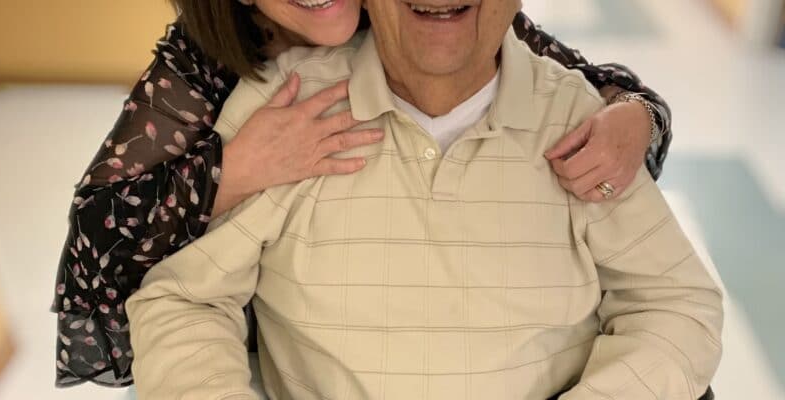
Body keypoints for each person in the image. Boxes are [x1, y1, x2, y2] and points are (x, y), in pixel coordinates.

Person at [52, 0, 672, 388]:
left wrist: (638, 112)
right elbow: (102, 235)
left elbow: (563, 77)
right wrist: (232, 167)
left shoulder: (445, 22)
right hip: (240, 277)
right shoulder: (204, 66)